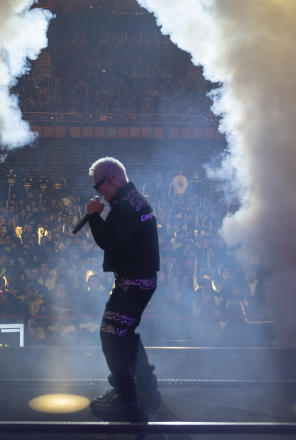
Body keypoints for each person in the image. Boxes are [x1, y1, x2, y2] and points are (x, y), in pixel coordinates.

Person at [83, 157, 161, 421]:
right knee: (125, 334)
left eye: (99, 186)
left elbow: (107, 241)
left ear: (113, 180)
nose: (99, 192)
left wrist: (94, 217)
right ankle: (146, 389)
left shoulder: (126, 207)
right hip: (140, 281)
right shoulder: (133, 201)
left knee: (111, 336)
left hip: (134, 283)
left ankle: (127, 400)